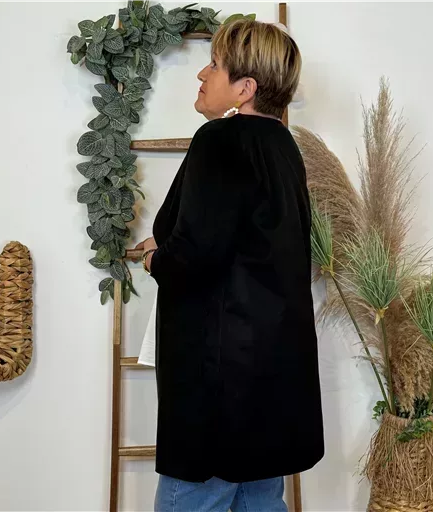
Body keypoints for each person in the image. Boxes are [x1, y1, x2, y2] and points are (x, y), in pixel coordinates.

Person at [135, 19, 324, 512]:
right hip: (270, 375)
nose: (202, 73)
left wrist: (157, 258)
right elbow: (246, 243)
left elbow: (195, 256)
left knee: (191, 498)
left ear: (245, 88)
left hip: (217, 379)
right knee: (260, 498)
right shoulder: (283, 148)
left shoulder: (219, 140)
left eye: (215, 65)